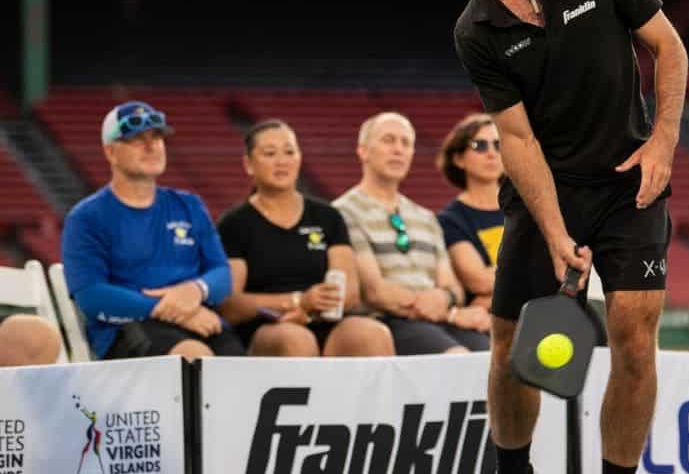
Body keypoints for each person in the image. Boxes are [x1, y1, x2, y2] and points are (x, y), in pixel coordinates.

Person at [447, 0, 688, 474]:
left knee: (634, 337)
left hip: (630, 182)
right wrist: (554, 233)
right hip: (545, 188)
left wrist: (664, 143)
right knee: (510, 348)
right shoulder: (477, 29)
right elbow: (515, 139)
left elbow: (669, 50)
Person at [61, 101, 243, 361]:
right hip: (126, 327)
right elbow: (92, 296)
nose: (151, 146)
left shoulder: (189, 205)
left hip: (199, 320)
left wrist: (195, 290)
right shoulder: (86, 217)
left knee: (243, 369)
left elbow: (221, 275)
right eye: (136, 139)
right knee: (194, 358)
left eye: (157, 137)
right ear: (111, 152)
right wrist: (169, 308)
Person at [217, 120, 393, 358]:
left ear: (299, 158)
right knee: (295, 339)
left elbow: (349, 292)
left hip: (325, 321)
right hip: (268, 326)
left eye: (289, 152)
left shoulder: (327, 216)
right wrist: (297, 301)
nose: (282, 161)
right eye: (270, 153)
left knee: (373, 334)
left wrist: (310, 312)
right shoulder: (234, 223)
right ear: (249, 164)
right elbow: (231, 304)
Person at [334, 112, 491, 355]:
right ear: (363, 151)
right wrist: (450, 311)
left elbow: (453, 288)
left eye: (406, 143)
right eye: (388, 140)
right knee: (457, 360)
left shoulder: (425, 217)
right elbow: (375, 291)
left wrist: (447, 301)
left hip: (439, 320)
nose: (398, 149)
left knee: (495, 361)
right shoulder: (343, 213)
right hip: (388, 322)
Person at [436, 113, 504, 311]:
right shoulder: (449, 220)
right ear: (458, 159)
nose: (491, 153)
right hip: (485, 324)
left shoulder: (526, 209)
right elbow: (480, 281)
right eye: (479, 146)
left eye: (498, 145)